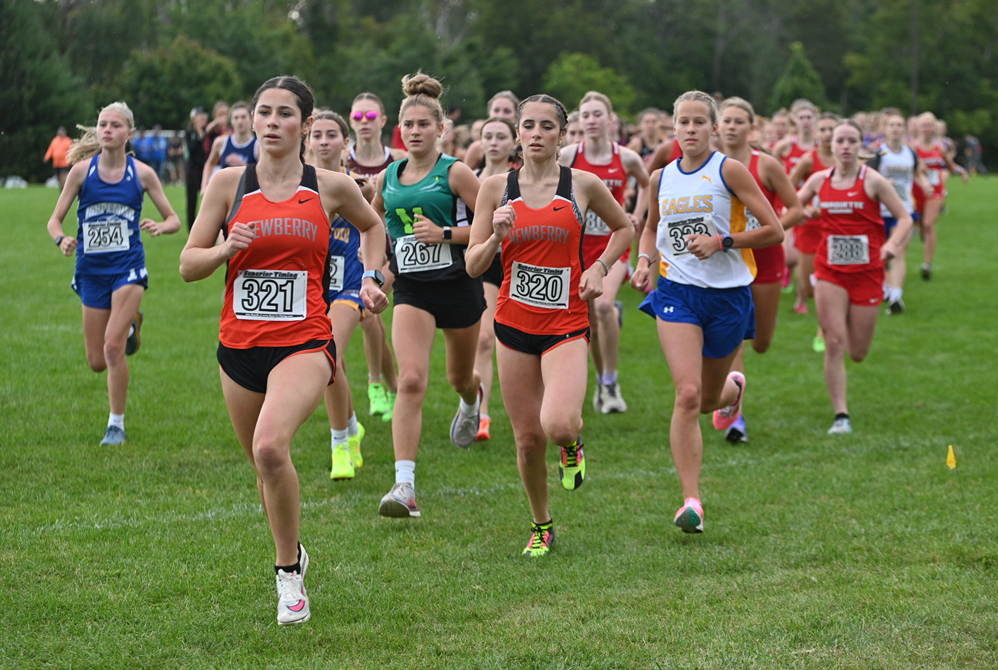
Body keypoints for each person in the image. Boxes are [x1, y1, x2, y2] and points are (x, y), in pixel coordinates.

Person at [180, 76, 389, 625]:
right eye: (263, 113)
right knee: (261, 463)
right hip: (240, 344)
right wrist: (227, 246)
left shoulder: (331, 185)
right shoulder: (229, 184)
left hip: (305, 340)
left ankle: (287, 573)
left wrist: (370, 277)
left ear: (304, 123)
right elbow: (187, 264)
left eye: (283, 114)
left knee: (271, 448)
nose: (270, 123)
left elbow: (373, 227)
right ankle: (292, 548)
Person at [466, 94, 633, 555]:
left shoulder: (582, 184)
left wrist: (599, 268)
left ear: (563, 135)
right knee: (526, 440)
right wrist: (496, 238)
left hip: (565, 323)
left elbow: (625, 228)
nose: (536, 134)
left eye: (546, 127)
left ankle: (573, 443)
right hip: (513, 325)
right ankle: (542, 523)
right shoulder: (495, 188)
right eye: (528, 126)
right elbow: (473, 265)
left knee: (558, 425)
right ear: (517, 133)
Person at [630, 91, 783, 534]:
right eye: (684, 122)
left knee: (710, 398)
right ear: (673, 129)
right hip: (677, 293)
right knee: (688, 395)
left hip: (729, 296)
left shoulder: (729, 170)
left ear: (713, 129)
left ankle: (734, 390)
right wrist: (644, 262)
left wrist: (722, 242)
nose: (692, 130)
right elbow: (652, 230)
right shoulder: (661, 177)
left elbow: (773, 230)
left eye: (700, 122)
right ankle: (690, 501)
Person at [372, 73, 484, 519]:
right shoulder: (389, 176)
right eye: (408, 125)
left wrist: (445, 234)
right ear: (399, 130)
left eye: (424, 125)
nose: (415, 131)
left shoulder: (455, 172)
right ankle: (405, 486)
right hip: (413, 290)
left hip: (459, 287)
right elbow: (373, 224)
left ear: (440, 130)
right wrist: (380, 272)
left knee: (460, 377)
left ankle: (471, 403)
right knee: (413, 379)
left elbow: (489, 225)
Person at [46, 102, 181, 445]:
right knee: (95, 362)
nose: (107, 129)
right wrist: (61, 239)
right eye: (103, 124)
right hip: (91, 271)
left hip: (128, 269)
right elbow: (54, 220)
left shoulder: (143, 173)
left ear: (129, 133)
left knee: (111, 348)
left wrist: (160, 227)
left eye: (115, 125)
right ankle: (131, 324)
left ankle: (115, 425)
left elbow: (174, 219)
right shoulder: (80, 172)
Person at [796, 120, 912, 434]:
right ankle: (841, 415)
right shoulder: (820, 180)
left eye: (851, 141)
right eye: (840, 141)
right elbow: (795, 204)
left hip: (867, 273)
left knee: (857, 352)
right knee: (834, 343)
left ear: (860, 147)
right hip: (830, 272)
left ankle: (841, 322)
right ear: (831, 146)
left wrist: (890, 244)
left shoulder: (873, 180)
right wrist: (805, 212)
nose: (846, 147)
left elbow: (904, 218)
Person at [717, 97, 804, 443]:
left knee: (762, 342)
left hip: (766, 262)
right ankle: (736, 416)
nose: (732, 127)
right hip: (727, 263)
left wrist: (767, 229)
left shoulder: (766, 165)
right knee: (735, 341)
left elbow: (796, 209)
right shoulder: (709, 165)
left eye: (740, 121)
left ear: (752, 128)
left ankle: (733, 401)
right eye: (727, 120)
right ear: (717, 126)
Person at [559, 91, 649, 414]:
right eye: (586, 115)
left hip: (613, 244)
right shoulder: (569, 156)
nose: (592, 121)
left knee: (604, 305)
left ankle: (611, 382)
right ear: (579, 121)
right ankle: (601, 380)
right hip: (577, 248)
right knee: (592, 321)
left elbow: (646, 182)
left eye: (598, 114)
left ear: (610, 119)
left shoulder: (626, 158)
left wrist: (637, 212)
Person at [306, 110, 374, 479]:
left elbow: (378, 225)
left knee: (328, 354)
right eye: (317, 135)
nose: (324, 141)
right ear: (308, 140)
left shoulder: (357, 187)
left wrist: (376, 269)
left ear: (346, 143)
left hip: (349, 283)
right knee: (336, 363)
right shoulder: (297, 186)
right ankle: (351, 427)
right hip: (312, 287)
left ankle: (340, 447)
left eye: (332, 135)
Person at [346, 92, 405, 420]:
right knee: (372, 316)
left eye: (370, 117)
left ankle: (376, 385)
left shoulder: (398, 159)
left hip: (393, 254)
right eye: (357, 118)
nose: (364, 123)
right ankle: (391, 386)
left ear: (383, 120)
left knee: (370, 313)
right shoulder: (344, 161)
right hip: (351, 252)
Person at [473, 116, 519, 441]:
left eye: (500, 136)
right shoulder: (469, 178)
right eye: (487, 136)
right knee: (485, 339)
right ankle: (482, 414)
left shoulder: (522, 180)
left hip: (522, 266)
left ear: (512, 141)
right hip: (487, 266)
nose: (493, 142)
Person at [865, 109, 930, 314]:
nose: (895, 129)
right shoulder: (878, 152)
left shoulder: (909, 152)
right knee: (880, 254)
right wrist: (883, 183)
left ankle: (896, 296)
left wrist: (925, 184)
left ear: (905, 129)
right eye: (892, 125)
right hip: (880, 210)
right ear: (885, 128)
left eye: (899, 125)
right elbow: (866, 176)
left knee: (898, 251)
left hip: (904, 210)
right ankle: (884, 288)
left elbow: (917, 172)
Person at [788, 112, 838, 352]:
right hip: (809, 228)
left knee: (830, 283)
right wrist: (804, 208)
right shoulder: (809, 159)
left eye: (833, 130)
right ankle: (808, 305)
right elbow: (788, 186)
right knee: (809, 287)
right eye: (825, 130)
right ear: (817, 133)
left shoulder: (849, 160)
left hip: (837, 229)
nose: (829, 135)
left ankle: (824, 328)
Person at [914, 112, 967, 280]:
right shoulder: (913, 147)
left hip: (935, 192)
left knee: (929, 224)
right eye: (924, 125)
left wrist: (962, 171)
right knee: (920, 224)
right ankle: (922, 234)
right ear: (919, 128)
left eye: (929, 125)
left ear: (934, 128)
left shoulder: (940, 147)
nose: (927, 129)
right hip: (916, 192)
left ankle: (927, 264)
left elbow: (950, 166)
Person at [202, 102, 258, 193]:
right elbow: (209, 164)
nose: (239, 121)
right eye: (236, 118)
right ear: (231, 121)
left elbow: (265, 174)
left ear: (251, 119)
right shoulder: (221, 143)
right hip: (225, 195)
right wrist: (204, 186)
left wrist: (244, 166)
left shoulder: (257, 145)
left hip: (247, 195)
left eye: (243, 117)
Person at [462, 91, 519, 169]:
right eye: (496, 110)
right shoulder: (478, 148)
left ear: (516, 116)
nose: (501, 115)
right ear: (489, 113)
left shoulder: (526, 147)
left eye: (507, 111)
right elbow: (463, 177)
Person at [185, 107, 209, 230]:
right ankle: (191, 230)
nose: (203, 118)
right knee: (192, 202)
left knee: (207, 200)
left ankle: (206, 228)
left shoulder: (208, 131)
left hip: (205, 171)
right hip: (193, 171)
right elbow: (191, 149)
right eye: (200, 116)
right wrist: (199, 134)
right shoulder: (190, 132)